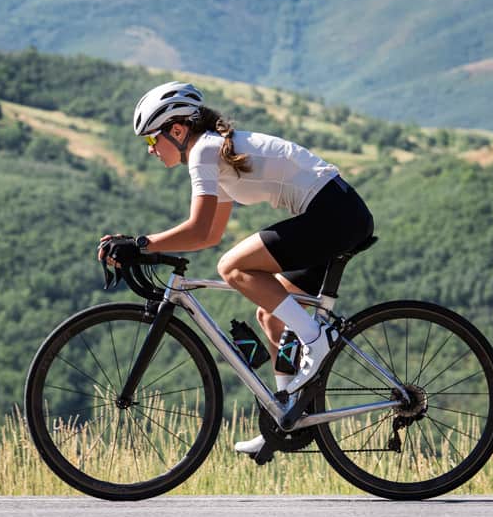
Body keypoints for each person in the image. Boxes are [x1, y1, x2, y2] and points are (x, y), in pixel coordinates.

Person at [98, 81, 375, 456]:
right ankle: (286, 414)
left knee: (232, 267)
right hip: (337, 215)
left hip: (333, 215)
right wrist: (142, 245)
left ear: (177, 131)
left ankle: (316, 339)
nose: (150, 151)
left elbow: (197, 231)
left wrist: (140, 243)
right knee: (271, 315)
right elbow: (208, 234)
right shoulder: (215, 152)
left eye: (151, 141)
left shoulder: (204, 151)